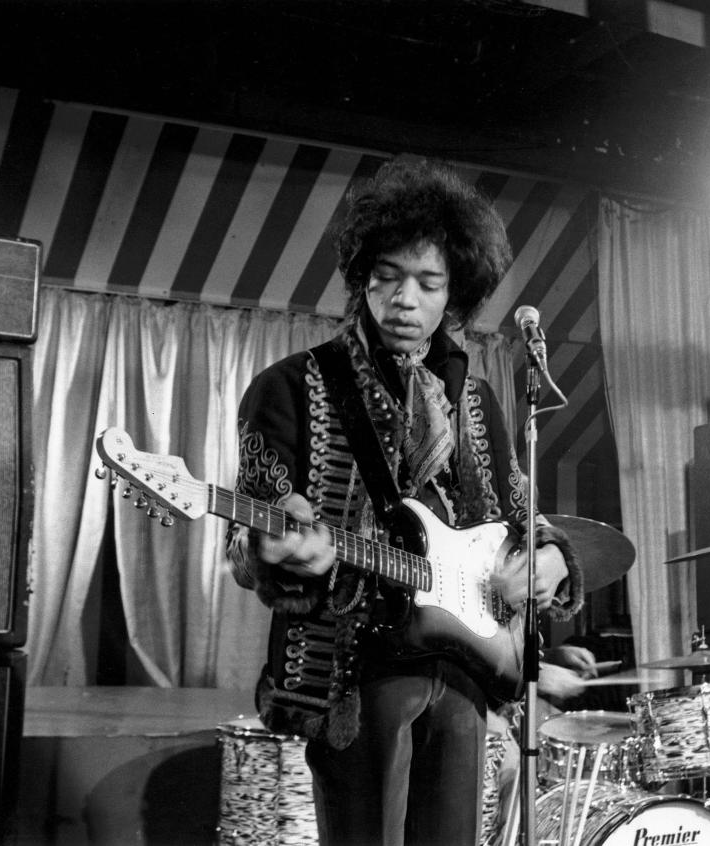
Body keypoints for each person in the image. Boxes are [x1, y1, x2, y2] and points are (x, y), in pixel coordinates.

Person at [226, 158, 584, 846]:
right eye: (388, 276)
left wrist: (549, 561)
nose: (405, 300)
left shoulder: (476, 401)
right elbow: (246, 544)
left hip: (466, 671)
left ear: (456, 293)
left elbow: (520, 515)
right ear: (362, 278)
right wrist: (277, 551)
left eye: (428, 282)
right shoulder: (291, 388)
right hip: (351, 671)